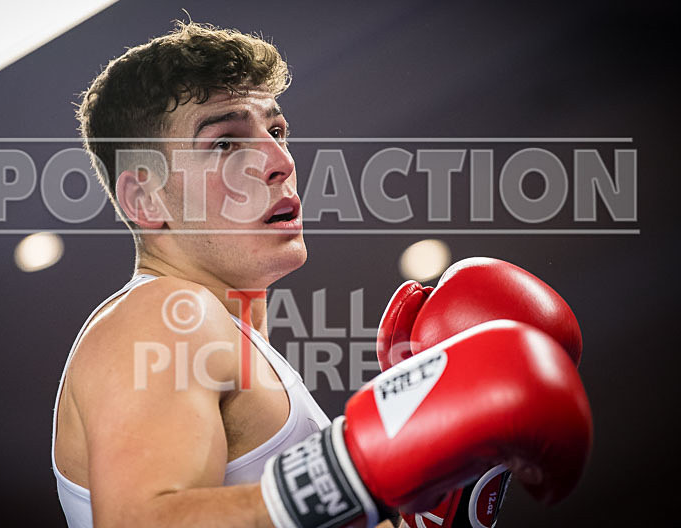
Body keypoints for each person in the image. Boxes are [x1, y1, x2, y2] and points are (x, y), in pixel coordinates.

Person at [51, 21, 592, 528]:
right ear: (145, 198)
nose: (278, 159)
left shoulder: (233, 343)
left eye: (277, 129)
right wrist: (357, 468)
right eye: (225, 142)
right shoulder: (165, 315)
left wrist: (451, 494)